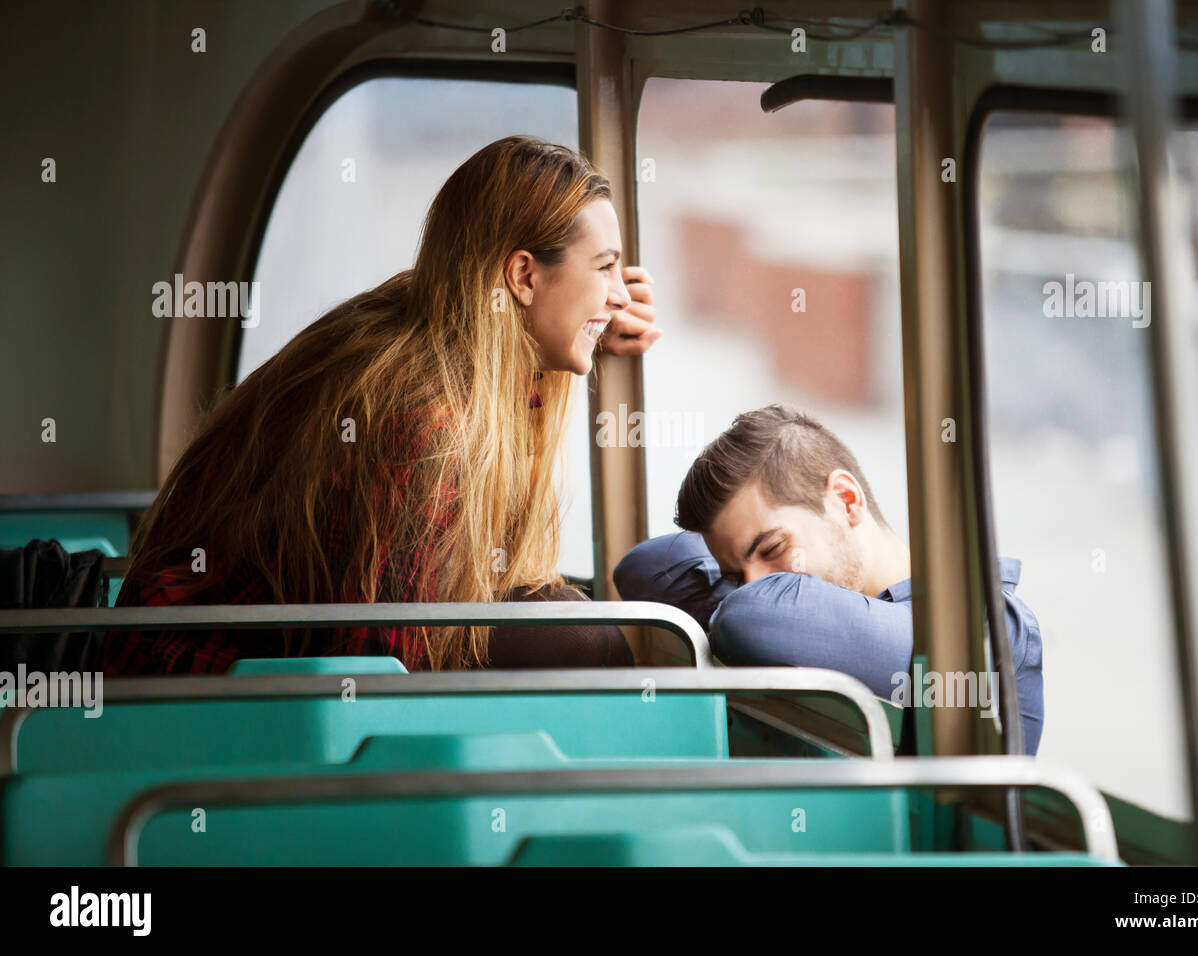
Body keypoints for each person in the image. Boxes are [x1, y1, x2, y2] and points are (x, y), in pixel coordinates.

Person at [103, 136, 661, 676]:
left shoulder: (430, 323)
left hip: (223, 658)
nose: (621, 294)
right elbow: (371, 669)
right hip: (187, 690)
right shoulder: (426, 423)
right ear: (522, 276)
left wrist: (586, 327)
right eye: (605, 267)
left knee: (566, 617)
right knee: (582, 640)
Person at [614, 404, 1044, 754]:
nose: (752, 586)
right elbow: (642, 569)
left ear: (846, 499)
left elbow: (750, 616)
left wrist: (738, 593)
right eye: (733, 573)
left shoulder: (991, 625)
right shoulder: (778, 611)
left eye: (771, 549)